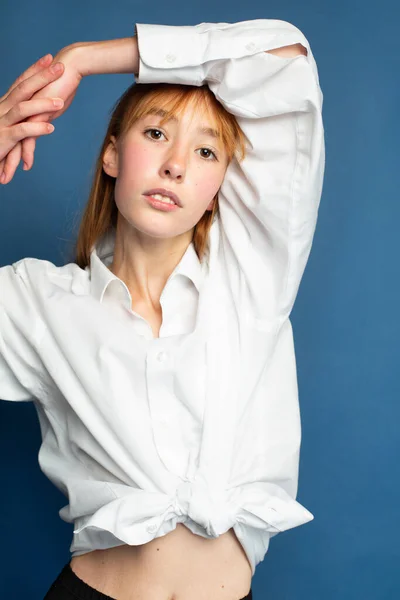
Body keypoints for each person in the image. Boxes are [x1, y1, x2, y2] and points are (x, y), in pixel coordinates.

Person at [0, 18, 325, 600]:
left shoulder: (252, 279)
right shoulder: (35, 302)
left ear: (219, 185)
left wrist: (83, 58)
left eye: (205, 151)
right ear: (111, 156)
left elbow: (283, 56)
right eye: (155, 134)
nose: (176, 164)